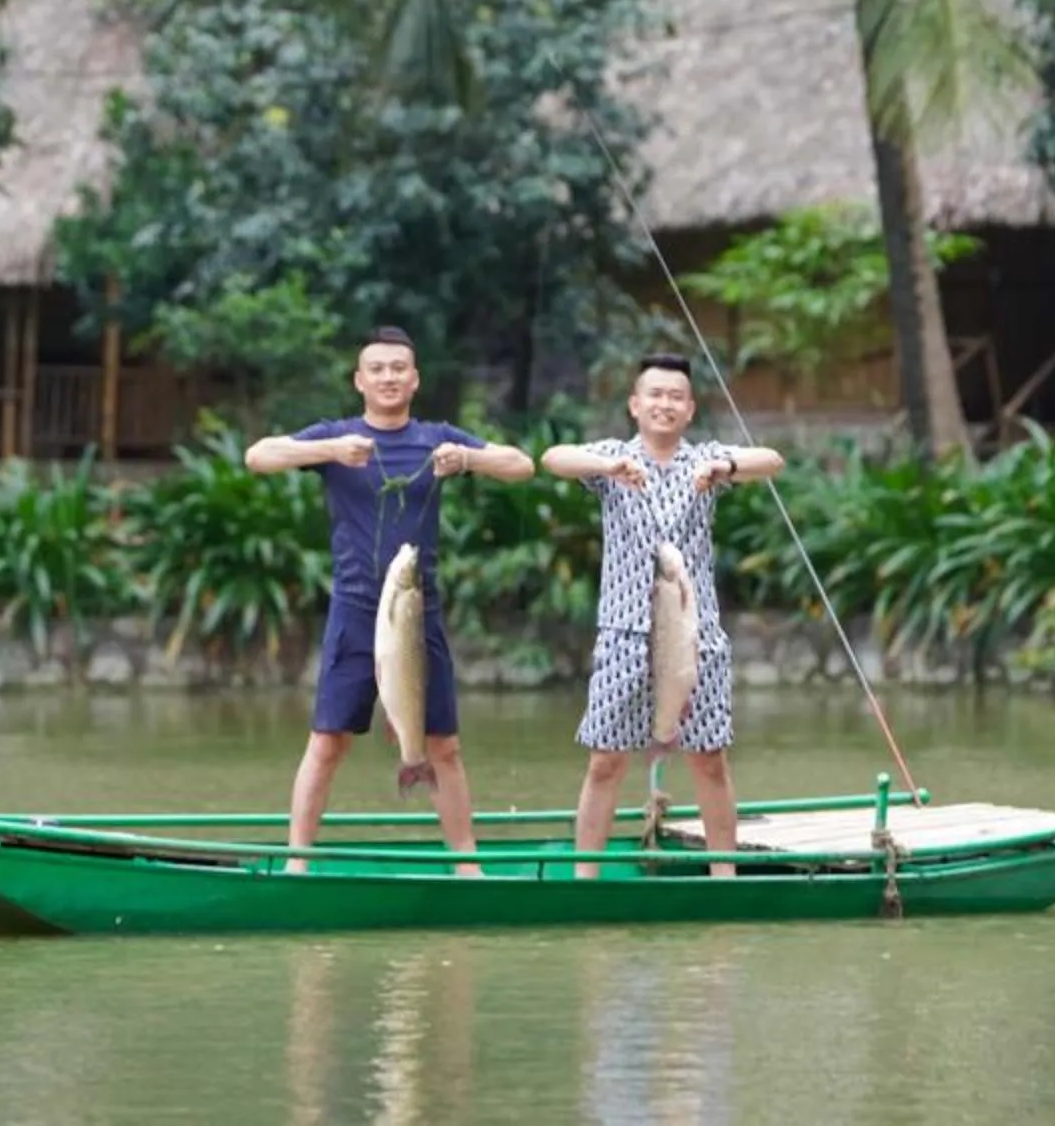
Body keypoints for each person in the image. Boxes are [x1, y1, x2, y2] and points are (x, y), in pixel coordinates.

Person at [246, 327, 535, 873]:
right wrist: (330, 450)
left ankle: (467, 865)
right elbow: (257, 456)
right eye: (376, 368)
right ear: (359, 380)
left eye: (398, 368)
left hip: (417, 614)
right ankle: (297, 862)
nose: (388, 377)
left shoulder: (436, 439)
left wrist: (468, 461)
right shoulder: (338, 437)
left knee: (443, 747)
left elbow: (522, 465)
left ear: (415, 378)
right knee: (328, 742)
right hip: (355, 612)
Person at [540, 354, 784, 877]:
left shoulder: (707, 461)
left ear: (690, 409)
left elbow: (773, 460)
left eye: (676, 397)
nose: (664, 404)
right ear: (635, 404)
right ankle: (586, 878)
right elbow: (553, 457)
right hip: (623, 636)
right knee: (605, 760)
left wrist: (727, 469)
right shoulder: (611, 460)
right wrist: (607, 469)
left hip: (695, 639)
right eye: (655, 395)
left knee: (709, 759)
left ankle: (725, 874)